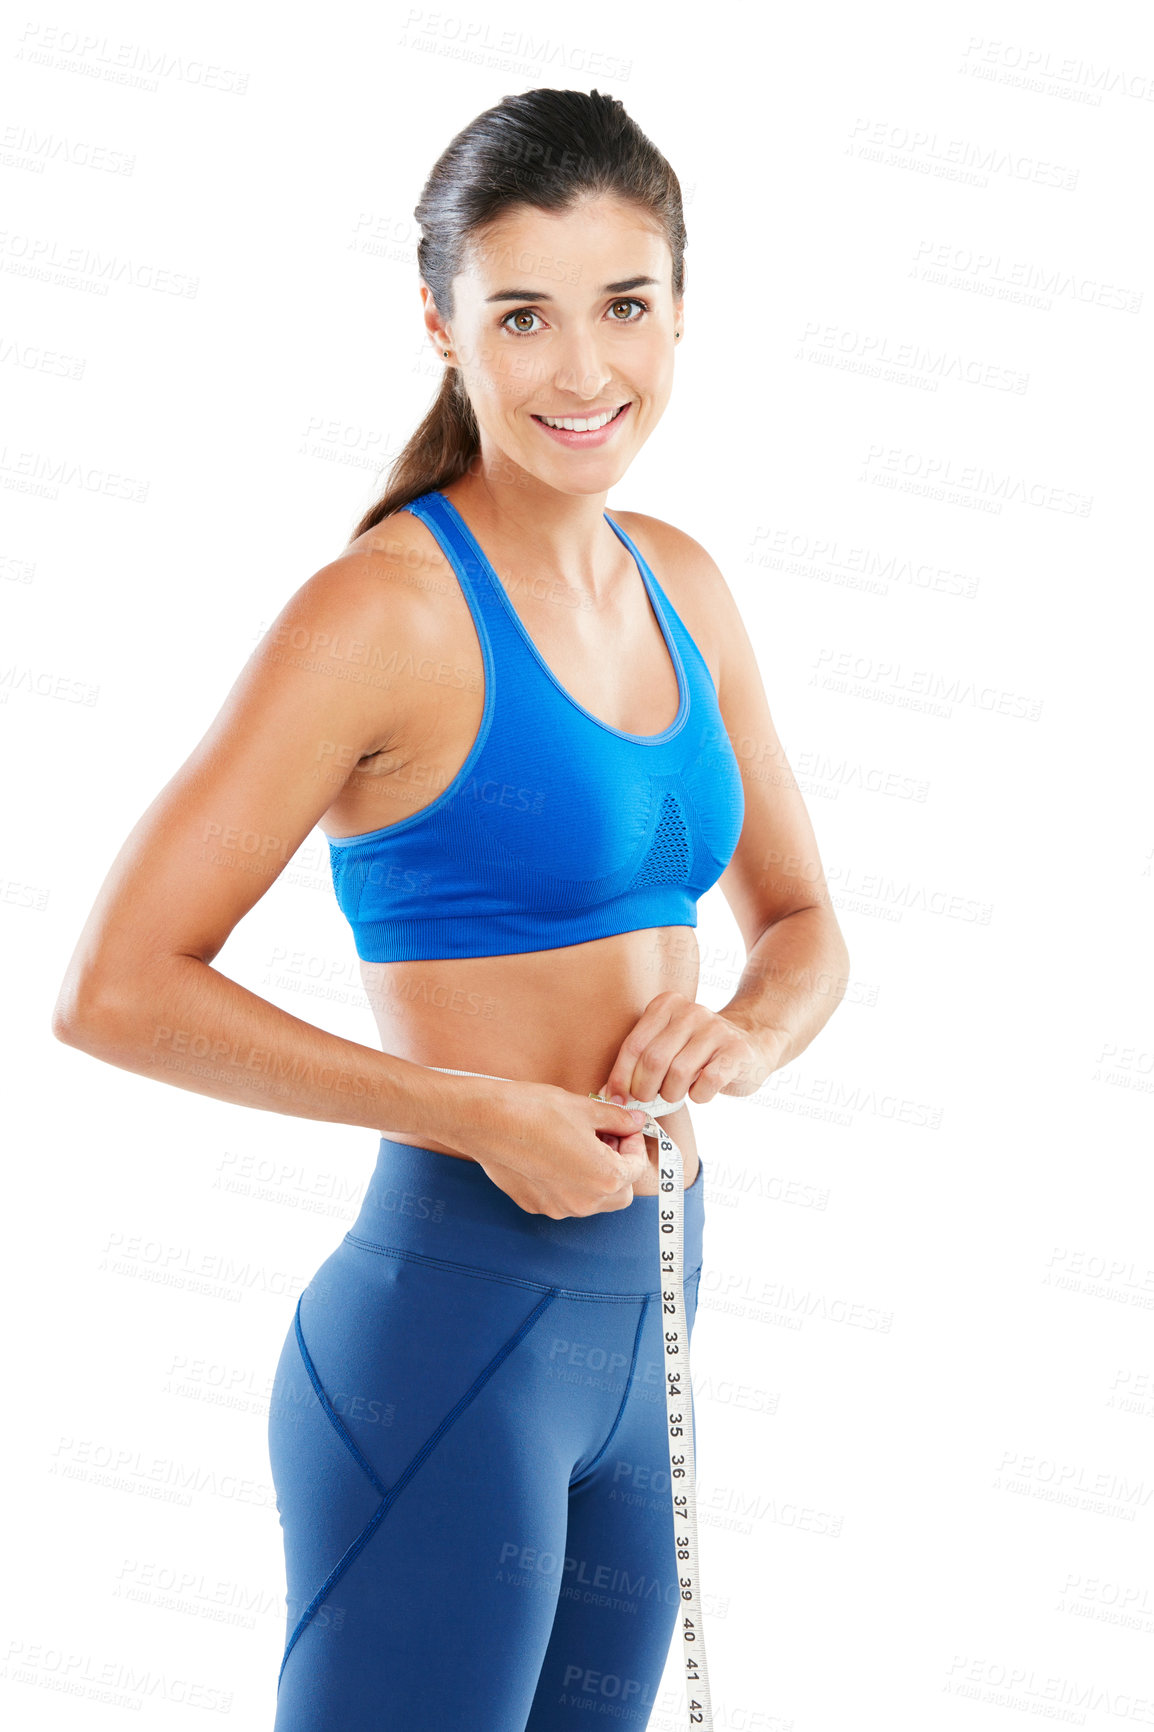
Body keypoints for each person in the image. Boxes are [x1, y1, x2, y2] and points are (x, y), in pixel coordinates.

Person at [52, 86, 849, 1732]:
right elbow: (115, 987)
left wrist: (747, 1031)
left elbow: (804, 923)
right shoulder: (381, 614)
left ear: (680, 308)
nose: (582, 371)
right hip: (448, 1346)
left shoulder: (683, 580)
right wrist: (475, 1111)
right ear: (440, 324)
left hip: (654, 1329)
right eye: (522, 315)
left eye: (624, 306)